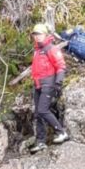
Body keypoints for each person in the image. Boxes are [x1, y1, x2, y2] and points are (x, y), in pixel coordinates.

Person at [28, 23, 69, 153]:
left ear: (46, 35)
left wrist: (58, 83)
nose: (37, 37)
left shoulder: (51, 49)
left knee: (43, 110)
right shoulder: (37, 50)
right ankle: (40, 141)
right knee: (38, 113)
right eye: (35, 34)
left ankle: (61, 132)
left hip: (48, 84)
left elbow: (61, 66)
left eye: (39, 34)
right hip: (38, 85)